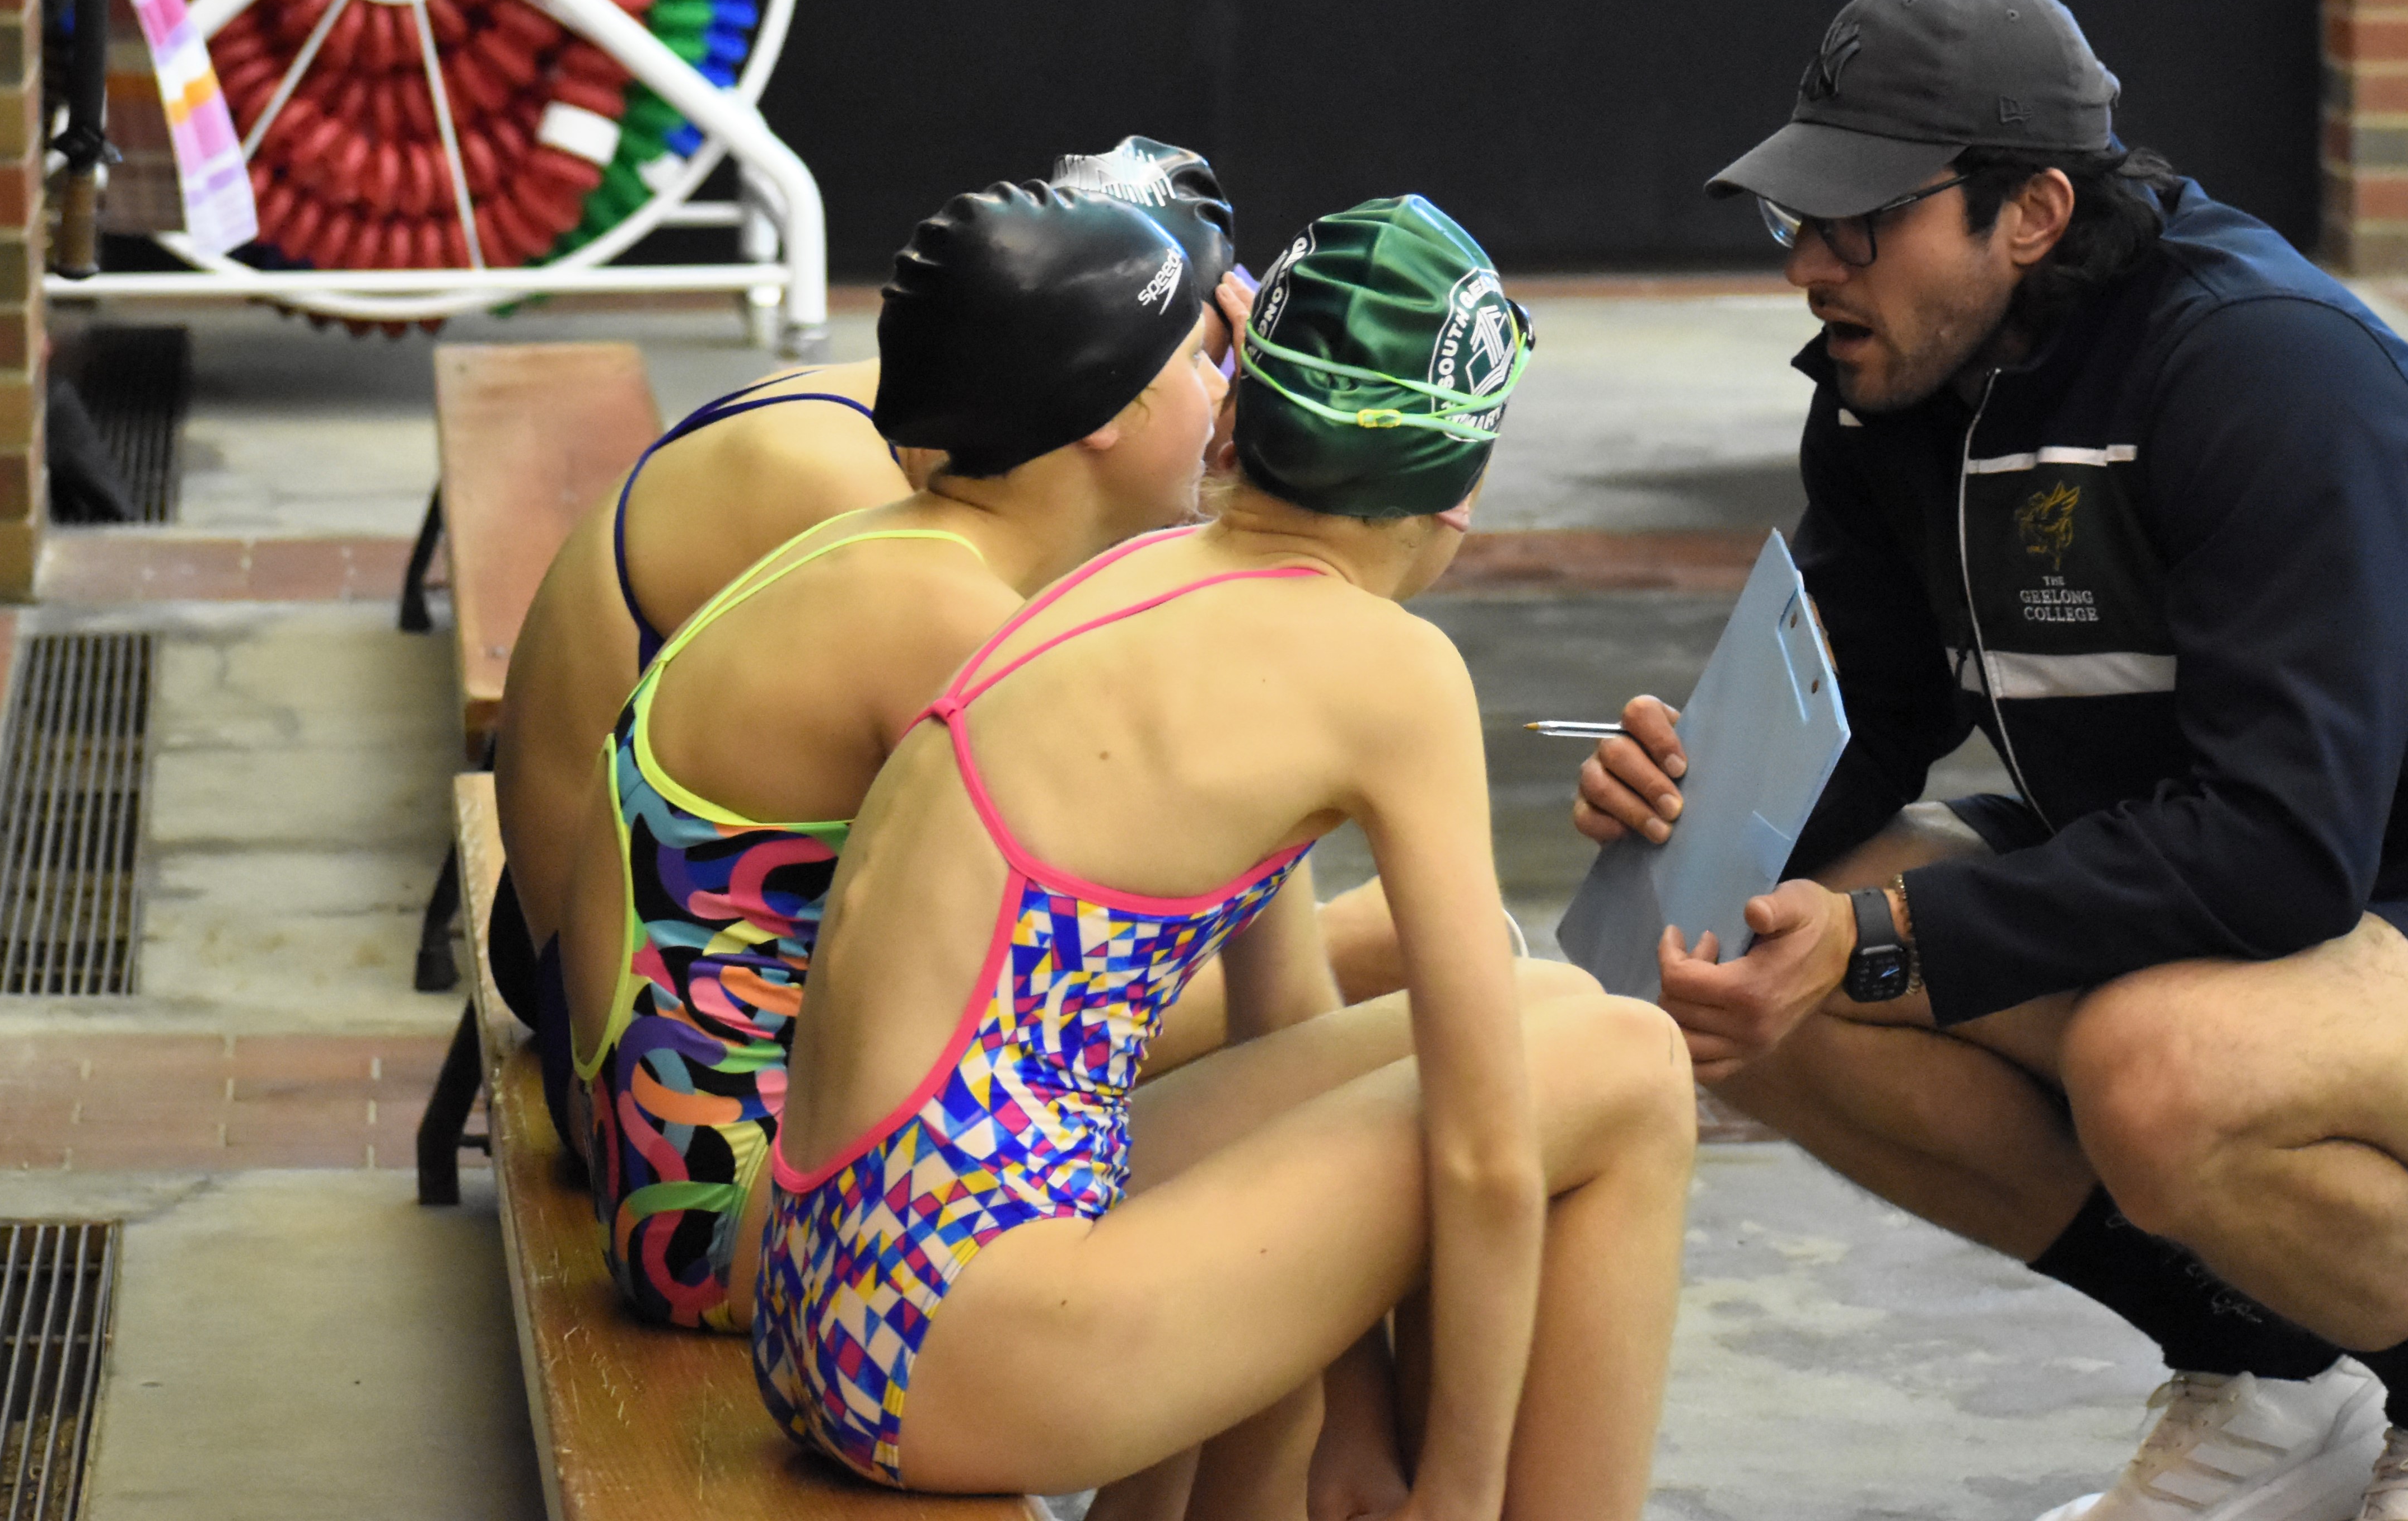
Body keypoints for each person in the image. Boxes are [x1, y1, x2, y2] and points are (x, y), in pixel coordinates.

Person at [1574, 0, 2408, 1521]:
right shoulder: (1897, 390)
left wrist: (1882, 936)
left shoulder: (2261, 368)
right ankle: (2270, 1374)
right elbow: (1861, 718)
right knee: (1724, 933)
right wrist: (1696, 792)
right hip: (2244, 916)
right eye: (1797, 217)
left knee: (2156, 1067)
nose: (1811, 264)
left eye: (1859, 221)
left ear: (2034, 212)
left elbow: (2277, 844)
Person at [755, 197, 1696, 1515]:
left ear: (1240, 420)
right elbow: (1483, 1159)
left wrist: (1354, 1421)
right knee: (1632, 1068)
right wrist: (1460, 1490)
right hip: (951, 1333)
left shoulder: (1137, 572)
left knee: (1536, 1001)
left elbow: (1286, 1026)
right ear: (1459, 493)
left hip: (835, 1282)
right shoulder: (1388, 668)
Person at [565, 180, 1231, 1331]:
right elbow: (1104, 983)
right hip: (726, 1225)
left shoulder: (900, 551)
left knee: (1313, 1081)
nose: (1224, 390)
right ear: (1103, 410)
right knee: (1364, 1044)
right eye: (1194, 359)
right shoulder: (948, 626)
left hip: (686, 1176)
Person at [485, 138, 1249, 1112]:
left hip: (650, 986)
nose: (1220, 393)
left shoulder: (917, 442)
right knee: (1311, 994)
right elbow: (1114, 871)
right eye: (1200, 357)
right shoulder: (853, 503)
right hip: (612, 1018)